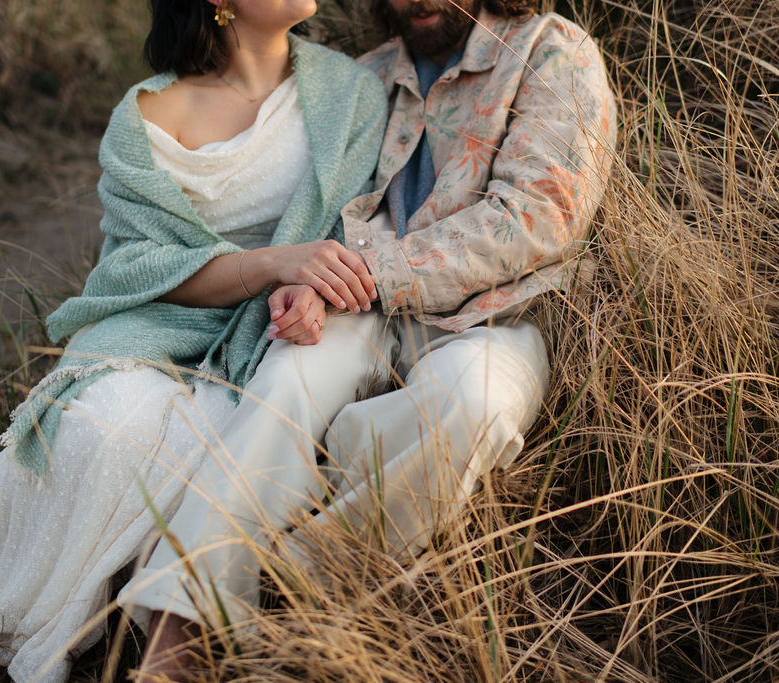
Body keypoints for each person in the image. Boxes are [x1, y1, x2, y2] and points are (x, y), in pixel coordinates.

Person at [0, 0, 391, 680]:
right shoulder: (144, 116)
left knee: (196, 448)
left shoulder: (350, 94)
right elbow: (137, 268)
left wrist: (305, 287)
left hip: (260, 342)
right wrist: (273, 262)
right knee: (96, 427)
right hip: (152, 327)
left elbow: (356, 226)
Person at [122, 0, 616, 677]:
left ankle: (288, 590)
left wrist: (365, 273)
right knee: (282, 387)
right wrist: (308, 281)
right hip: (361, 308)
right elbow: (324, 210)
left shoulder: (551, 51)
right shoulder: (366, 78)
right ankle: (179, 626)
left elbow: (536, 219)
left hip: (499, 317)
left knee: (470, 408)